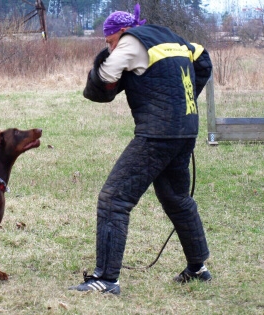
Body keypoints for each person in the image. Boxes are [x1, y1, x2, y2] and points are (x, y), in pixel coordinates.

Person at [68, 3, 213, 295]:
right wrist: (185, 100)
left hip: (156, 135)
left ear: (121, 31)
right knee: (177, 198)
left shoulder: (131, 41)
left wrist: (106, 62)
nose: (109, 47)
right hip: (185, 131)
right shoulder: (171, 37)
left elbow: (106, 78)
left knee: (114, 199)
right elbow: (203, 60)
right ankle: (198, 268)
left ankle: (106, 279)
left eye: (109, 41)